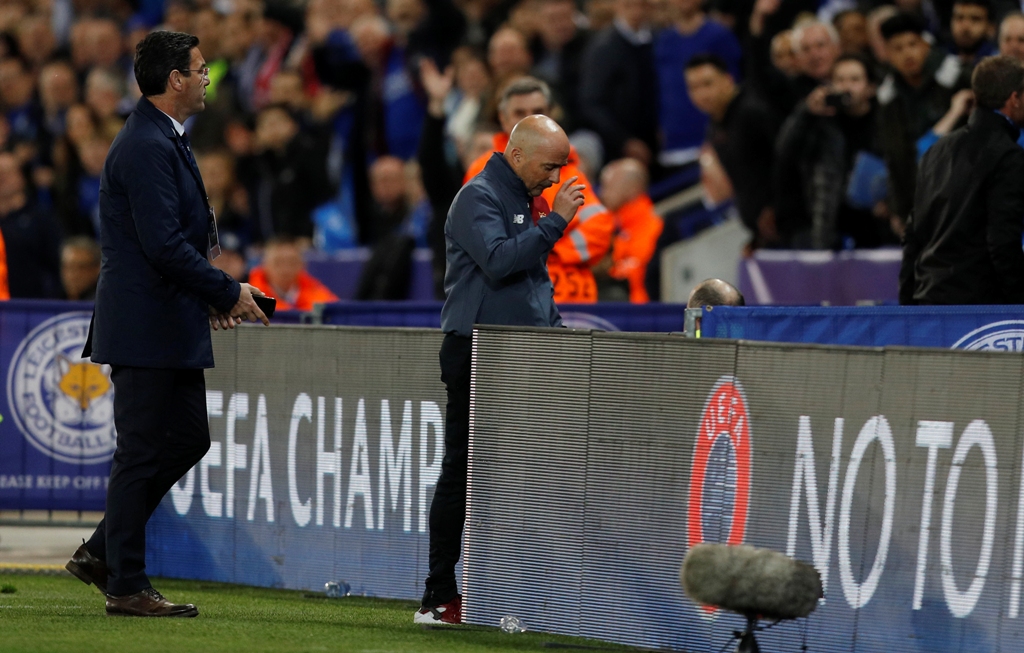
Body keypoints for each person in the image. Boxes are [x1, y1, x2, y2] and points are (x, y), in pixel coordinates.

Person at [64, 31, 270, 618]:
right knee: (140, 451)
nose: (208, 77)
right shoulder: (146, 145)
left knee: (186, 439)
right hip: (145, 325)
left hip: (167, 320)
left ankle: (103, 551)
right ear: (175, 79)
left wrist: (210, 298)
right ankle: (125, 582)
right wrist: (228, 291)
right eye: (201, 69)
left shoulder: (164, 138)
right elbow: (163, 246)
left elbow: (175, 244)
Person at [417, 114, 586, 625]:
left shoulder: (521, 200)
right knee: (463, 475)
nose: (554, 179)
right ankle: (439, 596)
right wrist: (555, 222)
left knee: (521, 478)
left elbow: (533, 283)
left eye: (559, 168)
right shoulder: (478, 197)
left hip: (521, 355)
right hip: (476, 353)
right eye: (549, 166)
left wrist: (556, 336)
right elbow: (497, 261)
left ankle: (511, 593)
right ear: (517, 156)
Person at [463, 77, 614, 303]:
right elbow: (490, 243)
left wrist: (552, 249)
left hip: (573, 300)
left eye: (538, 111)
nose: (530, 119)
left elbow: (599, 226)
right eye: (519, 113)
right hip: (511, 297)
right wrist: (554, 235)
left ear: (551, 115)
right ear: (503, 119)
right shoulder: (484, 170)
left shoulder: (570, 170)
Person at [900, 55, 1024, 305]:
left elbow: (914, 234)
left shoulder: (936, 150)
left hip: (929, 303)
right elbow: (1002, 241)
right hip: (979, 312)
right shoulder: (1008, 156)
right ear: (1014, 99)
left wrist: (908, 307)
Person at [775, 54, 897, 249]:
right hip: (833, 230)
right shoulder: (820, 122)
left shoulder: (889, 122)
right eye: (839, 80)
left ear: (871, 87)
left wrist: (893, 201)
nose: (846, 87)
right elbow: (785, 150)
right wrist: (805, 111)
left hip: (882, 226)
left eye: (855, 80)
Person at [877, 13, 971, 224]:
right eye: (898, 48)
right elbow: (896, 156)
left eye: (912, 44)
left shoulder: (959, 79)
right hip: (918, 205)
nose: (907, 53)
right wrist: (899, 211)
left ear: (925, 45)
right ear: (888, 54)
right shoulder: (888, 98)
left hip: (963, 197)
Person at [684, 54, 777, 246]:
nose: (702, 94)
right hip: (760, 230)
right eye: (694, 87)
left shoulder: (752, 112)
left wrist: (775, 208)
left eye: (707, 84)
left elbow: (783, 163)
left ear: (728, 79)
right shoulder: (715, 123)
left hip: (785, 224)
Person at [654, 0, 742, 170]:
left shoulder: (718, 34)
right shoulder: (664, 41)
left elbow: (735, 86)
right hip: (673, 146)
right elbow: (661, 88)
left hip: (713, 141)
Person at [578, 0, 659, 165]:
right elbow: (592, 103)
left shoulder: (659, 39)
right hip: (622, 150)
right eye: (629, 4)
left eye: (640, 4)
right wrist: (624, 141)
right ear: (616, 5)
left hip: (659, 141)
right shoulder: (602, 48)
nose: (636, 10)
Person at [595, 158, 662, 302]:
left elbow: (636, 274)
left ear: (632, 189)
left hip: (636, 312)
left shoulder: (652, 226)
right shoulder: (610, 223)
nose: (602, 193)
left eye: (608, 187)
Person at [0, 152, 63, 298]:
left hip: (31, 308)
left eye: (7, 172)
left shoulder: (41, 218)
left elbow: (56, 263)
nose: (1, 178)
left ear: (21, 177)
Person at [249, 236, 339, 309]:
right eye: (278, 263)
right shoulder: (248, 298)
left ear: (302, 265)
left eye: (292, 262)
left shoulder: (317, 294)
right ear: (265, 264)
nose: (285, 269)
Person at [949, 0, 997, 68]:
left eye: (975, 19)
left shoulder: (997, 66)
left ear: (991, 28)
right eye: (959, 17)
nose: (965, 27)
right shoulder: (939, 59)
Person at [61, 236, 101, 300]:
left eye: (81, 267)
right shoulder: (51, 300)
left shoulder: (103, 304)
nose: (73, 275)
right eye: (69, 267)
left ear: (96, 269)